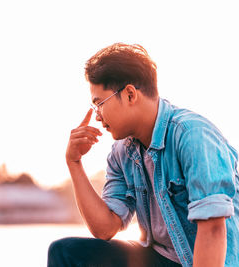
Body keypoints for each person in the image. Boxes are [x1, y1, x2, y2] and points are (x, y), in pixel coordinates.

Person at [47, 43, 239, 267]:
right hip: (161, 259)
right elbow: (105, 228)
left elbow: (214, 229)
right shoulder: (122, 152)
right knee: (65, 252)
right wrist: (74, 162)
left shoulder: (193, 135)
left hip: (210, 261)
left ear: (129, 94)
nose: (97, 116)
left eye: (100, 104)